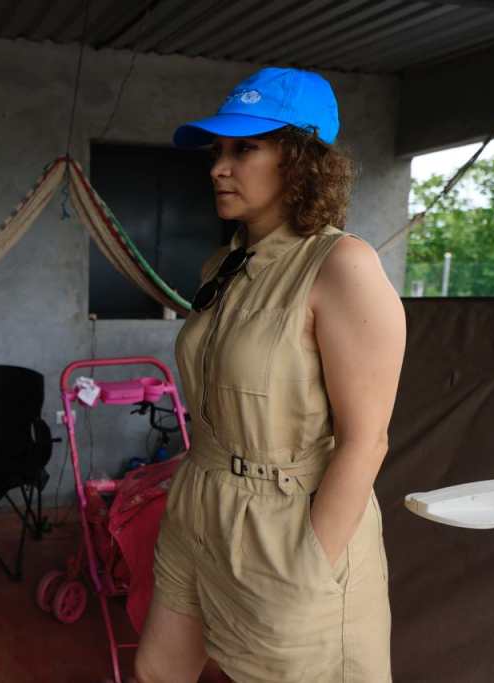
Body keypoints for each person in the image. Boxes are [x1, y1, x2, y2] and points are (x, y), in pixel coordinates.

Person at [134, 68, 405, 682]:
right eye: (217, 151)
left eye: (244, 148)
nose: (218, 168)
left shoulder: (342, 265)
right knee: (159, 669)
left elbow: (367, 441)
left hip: (288, 524)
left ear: (301, 160)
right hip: (199, 503)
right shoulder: (224, 263)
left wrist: (309, 564)